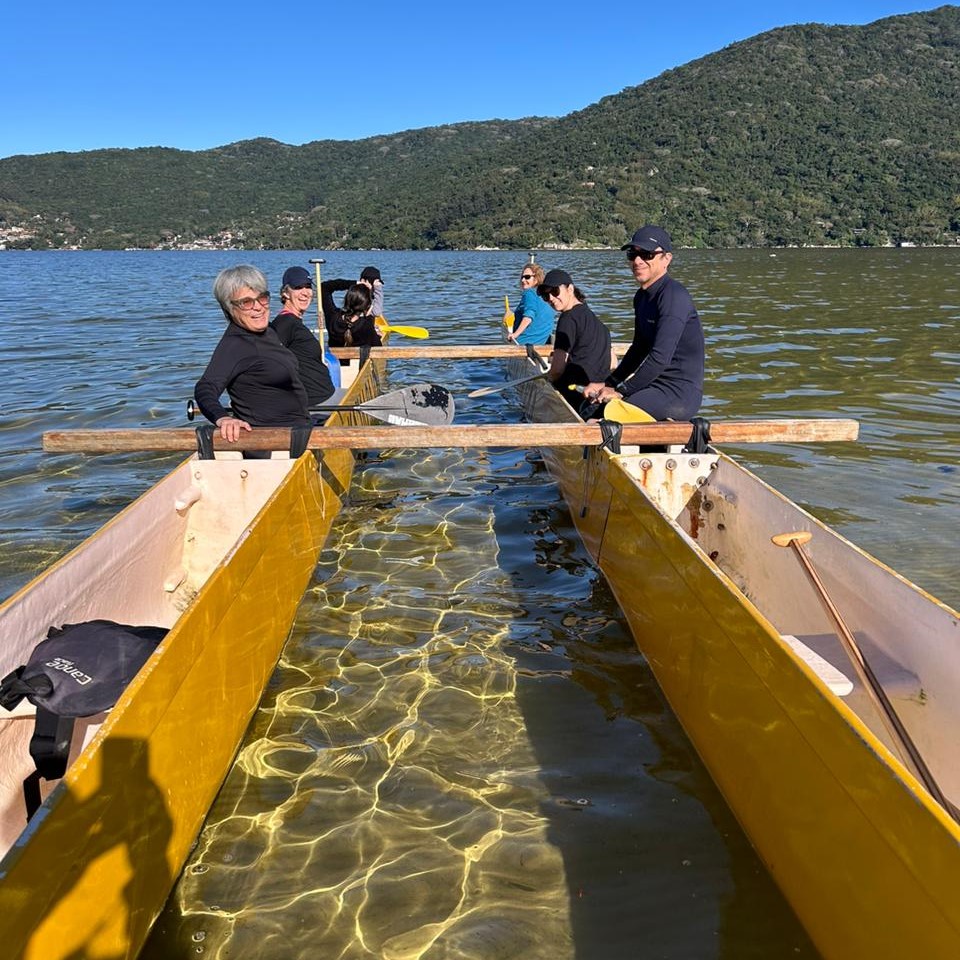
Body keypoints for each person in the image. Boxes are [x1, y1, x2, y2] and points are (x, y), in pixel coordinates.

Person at [584, 225, 704, 421]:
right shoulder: (641, 298)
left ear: (667, 259)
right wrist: (608, 383)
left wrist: (621, 391)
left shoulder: (673, 296)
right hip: (655, 386)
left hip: (679, 394)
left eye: (647, 254)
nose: (638, 261)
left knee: (602, 415)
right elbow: (639, 349)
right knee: (591, 406)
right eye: (633, 254)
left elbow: (659, 358)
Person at [194, 265, 310, 445]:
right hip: (270, 445)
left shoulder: (268, 331)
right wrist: (223, 418)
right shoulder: (236, 344)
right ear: (229, 308)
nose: (258, 308)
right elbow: (205, 387)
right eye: (246, 302)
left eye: (262, 298)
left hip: (298, 434)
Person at [537, 269, 611, 401]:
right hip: (601, 391)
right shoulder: (595, 320)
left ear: (570, 289)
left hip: (576, 392)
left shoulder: (567, 319)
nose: (551, 299)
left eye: (555, 291)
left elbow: (557, 370)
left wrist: (546, 379)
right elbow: (613, 362)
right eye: (546, 296)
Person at [270, 265, 335, 406]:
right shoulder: (285, 324)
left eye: (308, 287)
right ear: (286, 293)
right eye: (298, 287)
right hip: (314, 405)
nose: (305, 293)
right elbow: (269, 362)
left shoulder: (294, 322)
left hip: (324, 396)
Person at [507, 263, 555, 345]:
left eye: (527, 277)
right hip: (541, 344)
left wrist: (515, 334)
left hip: (525, 343)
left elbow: (529, 316)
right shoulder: (548, 295)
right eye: (522, 277)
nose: (523, 280)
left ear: (536, 279)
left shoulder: (529, 293)